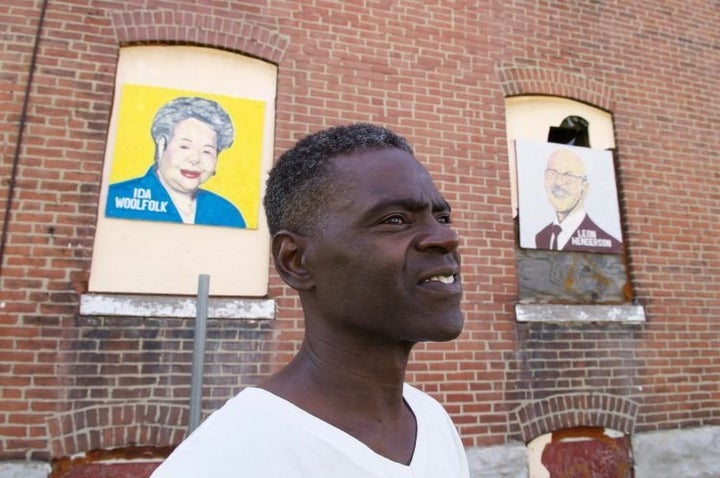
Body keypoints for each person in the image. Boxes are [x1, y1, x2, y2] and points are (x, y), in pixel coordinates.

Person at [151, 123, 469, 477]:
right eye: (395, 220)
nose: (445, 237)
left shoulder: (432, 421)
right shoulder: (228, 460)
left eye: (442, 217)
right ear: (295, 260)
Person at [105, 96, 246, 228]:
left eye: (207, 151)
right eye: (185, 146)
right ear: (161, 146)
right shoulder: (116, 198)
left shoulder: (226, 213)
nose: (195, 159)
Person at [535, 148, 622, 253]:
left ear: (584, 186)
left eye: (569, 176)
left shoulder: (611, 245)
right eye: (552, 174)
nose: (558, 182)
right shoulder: (540, 237)